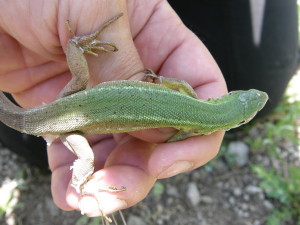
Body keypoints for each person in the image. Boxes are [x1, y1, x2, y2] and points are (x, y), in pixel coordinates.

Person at [0, 0, 297, 217]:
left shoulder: (190, 95)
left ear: (226, 97)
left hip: (70, 105)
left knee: (81, 79)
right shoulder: (189, 131)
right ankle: (81, 183)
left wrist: (156, 79)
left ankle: (76, 46)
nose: (251, 96)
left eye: (245, 102)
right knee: (87, 156)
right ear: (231, 124)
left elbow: (176, 83)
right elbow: (170, 140)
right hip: (67, 122)